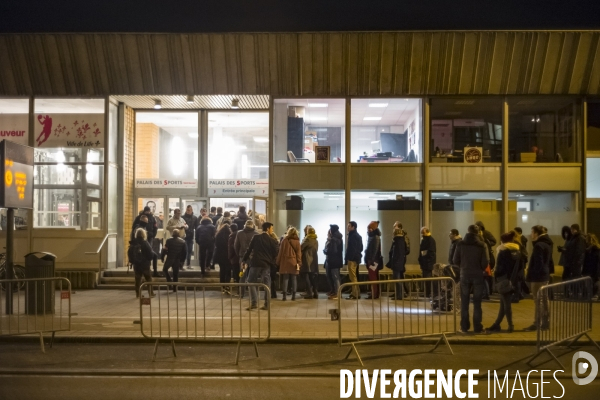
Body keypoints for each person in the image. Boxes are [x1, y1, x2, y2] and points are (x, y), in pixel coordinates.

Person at [453, 224, 489, 334]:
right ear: (478, 232)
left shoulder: (461, 244)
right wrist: (480, 268)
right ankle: (477, 327)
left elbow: (455, 260)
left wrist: (463, 267)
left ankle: (464, 327)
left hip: (464, 275)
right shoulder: (482, 245)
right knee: (477, 303)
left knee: (464, 302)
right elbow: (485, 262)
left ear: (468, 231)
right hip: (478, 275)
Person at [486, 232, 521, 333]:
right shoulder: (517, 250)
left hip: (503, 279)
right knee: (503, 304)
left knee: (506, 304)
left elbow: (500, 267)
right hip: (512, 279)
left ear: (503, 241)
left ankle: (511, 325)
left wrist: (495, 275)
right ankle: (497, 324)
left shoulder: (502, 251)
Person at [242, 222, 279, 310]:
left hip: (255, 263)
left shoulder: (256, 237)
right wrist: (271, 260)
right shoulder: (272, 240)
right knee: (266, 283)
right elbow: (276, 252)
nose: (272, 230)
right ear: (267, 229)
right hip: (266, 264)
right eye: (271, 229)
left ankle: (254, 302)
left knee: (251, 281)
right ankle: (267, 304)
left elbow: (249, 249)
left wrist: (244, 260)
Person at [524, 225, 552, 332]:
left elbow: (538, 263)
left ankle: (537, 323)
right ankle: (546, 323)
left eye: (532, 232)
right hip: (545, 275)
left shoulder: (539, 245)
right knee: (544, 299)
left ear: (536, 233)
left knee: (538, 300)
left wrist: (533, 274)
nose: (531, 234)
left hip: (538, 277)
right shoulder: (547, 244)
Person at [277, 227, 302, 301]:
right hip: (293, 261)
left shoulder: (284, 240)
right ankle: (293, 296)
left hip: (285, 261)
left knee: (285, 278)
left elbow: (280, 252)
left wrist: (278, 261)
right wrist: (299, 262)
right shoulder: (297, 242)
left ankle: (284, 296)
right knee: (294, 279)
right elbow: (298, 253)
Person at [235, 220, 259, 298]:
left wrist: (239, 254)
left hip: (243, 257)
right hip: (253, 258)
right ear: (253, 226)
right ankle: (254, 294)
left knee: (242, 275)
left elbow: (236, 246)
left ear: (245, 225)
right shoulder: (256, 234)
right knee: (253, 276)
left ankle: (241, 294)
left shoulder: (239, 233)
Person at [129, 228, 155, 298]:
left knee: (137, 279)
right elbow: (150, 253)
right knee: (148, 278)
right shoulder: (145, 243)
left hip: (136, 264)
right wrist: (149, 259)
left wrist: (132, 261)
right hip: (145, 264)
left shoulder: (133, 242)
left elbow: (130, 253)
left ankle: (138, 294)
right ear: (144, 234)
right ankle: (151, 293)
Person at [476, 221, 496, 300]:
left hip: (486, 257)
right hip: (485, 257)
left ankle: (488, 292)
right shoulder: (478, 234)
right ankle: (487, 292)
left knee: (486, 276)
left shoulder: (486, 233)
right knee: (486, 276)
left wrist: (487, 244)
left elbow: (494, 241)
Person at [324, 224, 344, 300]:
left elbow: (332, 251)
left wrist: (326, 250)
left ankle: (338, 294)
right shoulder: (337, 238)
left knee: (336, 277)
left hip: (334, 261)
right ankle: (335, 292)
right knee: (335, 277)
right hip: (335, 260)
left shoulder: (334, 239)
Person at [345, 221, 363, 300]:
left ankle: (355, 294)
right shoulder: (357, 236)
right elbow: (361, 248)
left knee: (353, 277)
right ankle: (357, 293)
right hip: (356, 258)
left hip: (352, 259)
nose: (347, 227)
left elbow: (352, 249)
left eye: (349, 226)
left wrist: (350, 258)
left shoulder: (353, 236)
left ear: (353, 227)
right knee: (354, 276)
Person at [388, 227, 409, 300]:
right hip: (400, 263)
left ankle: (399, 295)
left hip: (397, 263)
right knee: (398, 279)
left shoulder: (397, 241)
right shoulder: (403, 241)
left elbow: (396, 254)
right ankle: (399, 294)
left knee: (397, 280)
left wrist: (394, 263)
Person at [364, 221, 383, 300]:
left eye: (370, 228)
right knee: (373, 277)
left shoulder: (375, 237)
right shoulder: (373, 236)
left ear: (373, 228)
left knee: (373, 277)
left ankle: (374, 294)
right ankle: (374, 293)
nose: (368, 230)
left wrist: (371, 260)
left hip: (373, 260)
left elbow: (375, 250)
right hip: (373, 260)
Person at [301, 226, 319, 299]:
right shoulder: (315, 240)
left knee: (306, 276)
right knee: (312, 277)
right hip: (313, 260)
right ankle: (315, 292)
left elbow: (301, 247)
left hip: (306, 259)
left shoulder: (307, 239)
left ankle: (309, 293)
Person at [214, 222, 232, 294]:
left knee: (222, 271)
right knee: (228, 271)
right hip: (228, 255)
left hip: (220, 255)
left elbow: (216, 245)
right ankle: (227, 285)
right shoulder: (229, 236)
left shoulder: (218, 235)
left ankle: (222, 286)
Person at [418, 227, 437, 297]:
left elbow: (431, 252)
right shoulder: (425, 239)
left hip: (428, 262)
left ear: (426, 232)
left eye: (423, 233)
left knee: (427, 278)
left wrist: (424, 257)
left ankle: (427, 293)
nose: (422, 234)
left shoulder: (430, 240)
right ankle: (426, 292)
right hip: (425, 262)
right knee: (425, 278)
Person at [583, 233, 600, 298]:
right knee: (592, 283)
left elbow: (597, 261)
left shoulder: (595, 250)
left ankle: (596, 295)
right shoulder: (592, 250)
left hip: (593, 269)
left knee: (595, 283)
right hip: (591, 269)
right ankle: (595, 295)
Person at [182, 205, 198, 269]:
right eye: (187, 210)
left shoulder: (195, 218)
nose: (188, 211)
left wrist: (196, 236)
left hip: (191, 236)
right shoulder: (182, 217)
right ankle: (182, 263)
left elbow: (196, 228)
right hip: (184, 236)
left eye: (189, 210)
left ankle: (188, 264)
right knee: (184, 251)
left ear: (192, 210)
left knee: (190, 251)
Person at [228, 224, 240, 291]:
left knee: (236, 273)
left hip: (234, 259)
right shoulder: (240, 234)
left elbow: (230, 249)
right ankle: (242, 287)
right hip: (241, 258)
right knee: (242, 273)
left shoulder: (232, 236)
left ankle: (239, 288)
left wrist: (229, 257)